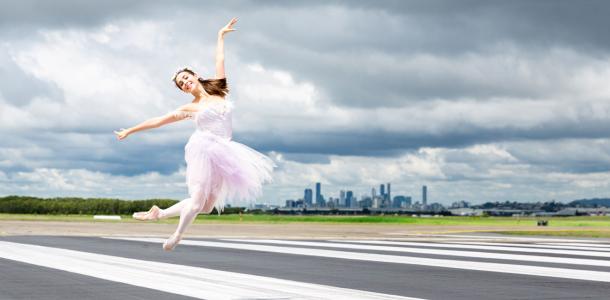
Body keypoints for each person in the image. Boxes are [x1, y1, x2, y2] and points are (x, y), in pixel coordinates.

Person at [114, 17, 275, 251]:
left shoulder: (219, 90)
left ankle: (159, 213)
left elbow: (220, 59)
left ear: (196, 75)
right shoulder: (190, 108)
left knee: (207, 207)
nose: (185, 83)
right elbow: (159, 121)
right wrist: (130, 130)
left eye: (186, 78)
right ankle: (177, 235)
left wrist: (220, 36)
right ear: (182, 90)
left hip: (225, 152)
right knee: (198, 201)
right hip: (204, 150)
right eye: (181, 84)